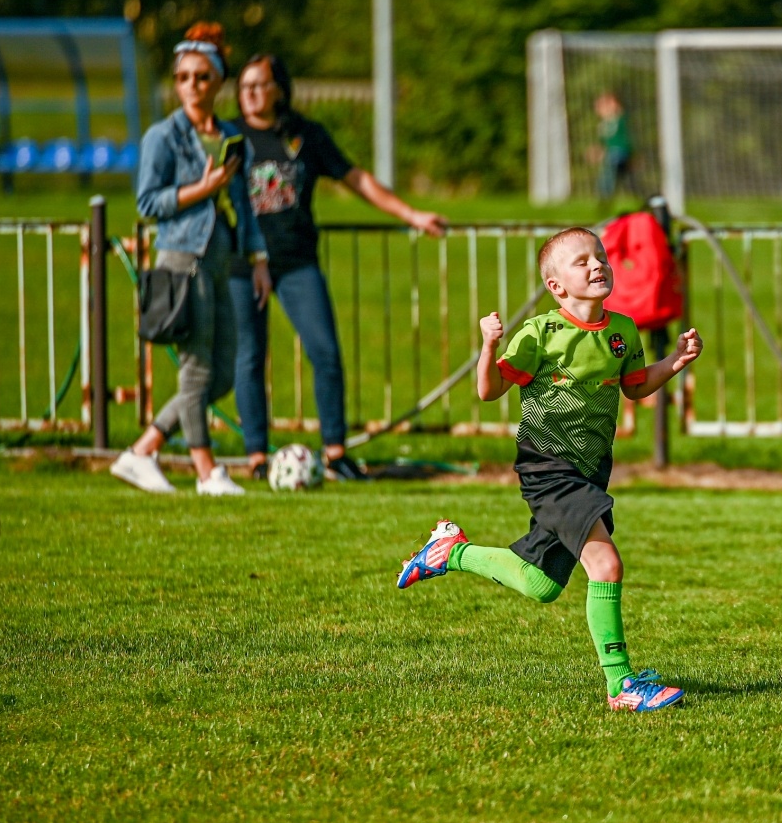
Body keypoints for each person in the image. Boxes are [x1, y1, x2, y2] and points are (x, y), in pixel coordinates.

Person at [395, 227, 703, 712]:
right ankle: (622, 686)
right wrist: (489, 347)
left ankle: (450, 552)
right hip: (548, 466)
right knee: (606, 564)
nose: (596, 265)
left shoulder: (622, 331)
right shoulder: (540, 333)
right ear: (557, 286)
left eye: (599, 256)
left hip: (591, 471)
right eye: (581, 261)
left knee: (540, 585)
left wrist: (677, 361)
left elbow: (637, 387)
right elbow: (489, 390)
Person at [231, 54, 447, 481]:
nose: (251, 94)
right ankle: (256, 457)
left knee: (325, 352)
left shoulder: (306, 135)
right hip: (243, 264)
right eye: (244, 87)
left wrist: (411, 215)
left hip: (296, 261)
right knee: (250, 356)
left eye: (260, 84)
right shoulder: (229, 137)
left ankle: (335, 452)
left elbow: (357, 179)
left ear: (280, 89)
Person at [109, 24, 271, 497]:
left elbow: (246, 203)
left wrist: (258, 257)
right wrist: (205, 188)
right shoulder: (163, 136)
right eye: (183, 77)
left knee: (221, 370)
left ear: (218, 80)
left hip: (221, 260)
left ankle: (142, 450)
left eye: (202, 77)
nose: (192, 86)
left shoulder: (229, 135)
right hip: (182, 258)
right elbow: (147, 203)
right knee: (197, 368)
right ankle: (207, 472)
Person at [590, 91, 633, 204]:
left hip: (620, 153)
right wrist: (598, 151)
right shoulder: (603, 125)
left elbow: (626, 140)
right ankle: (605, 196)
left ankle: (605, 195)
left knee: (610, 172)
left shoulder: (620, 121)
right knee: (619, 175)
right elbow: (603, 143)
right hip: (612, 154)